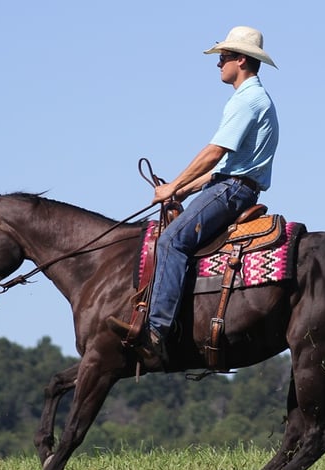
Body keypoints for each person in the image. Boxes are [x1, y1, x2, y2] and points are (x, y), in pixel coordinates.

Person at [107, 25, 279, 366]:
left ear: (241, 60)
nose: (218, 64)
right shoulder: (250, 99)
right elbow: (223, 166)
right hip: (228, 185)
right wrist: (182, 188)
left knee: (171, 241)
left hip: (232, 190)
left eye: (224, 58)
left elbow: (215, 153)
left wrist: (172, 188)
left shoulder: (248, 100)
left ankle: (155, 331)